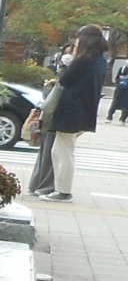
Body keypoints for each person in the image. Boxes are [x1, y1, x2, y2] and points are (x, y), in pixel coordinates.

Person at [38, 24, 111, 202]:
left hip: (71, 110)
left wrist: (68, 62)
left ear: (84, 40)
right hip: (86, 110)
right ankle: (59, 188)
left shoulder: (82, 60)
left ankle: (63, 191)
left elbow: (65, 79)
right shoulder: (101, 61)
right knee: (60, 149)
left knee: (63, 151)